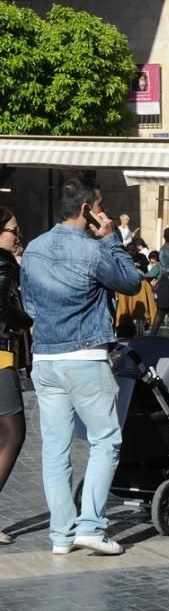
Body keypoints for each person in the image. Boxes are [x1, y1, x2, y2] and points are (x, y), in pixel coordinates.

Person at [21, 178, 143, 556]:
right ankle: (90, 525)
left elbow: (28, 306)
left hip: (45, 357)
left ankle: (61, 535)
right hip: (86, 356)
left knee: (55, 449)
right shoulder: (93, 250)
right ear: (88, 209)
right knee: (105, 439)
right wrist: (112, 240)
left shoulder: (35, 248)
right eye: (100, 206)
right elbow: (133, 282)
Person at [0, 208, 32, 546]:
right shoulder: (4, 263)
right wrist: (27, 321)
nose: (17, 236)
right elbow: (1, 309)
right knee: (14, 435)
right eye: (12, 230)